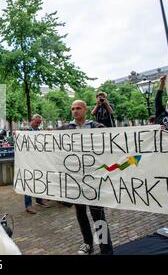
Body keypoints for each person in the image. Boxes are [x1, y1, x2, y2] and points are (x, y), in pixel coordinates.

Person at [60, 100, 113, 255]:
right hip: (77, 179)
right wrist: (23, 136)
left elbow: (114, 138)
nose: (75, 111)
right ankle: (87, 243)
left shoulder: (97, 127)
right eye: (72, 109)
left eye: (78, 108)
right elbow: (46, 140)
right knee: (81, 214)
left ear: (85, 110)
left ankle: (105, 248)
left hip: (93, 178)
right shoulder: (65, 129)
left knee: (98, 214)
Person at [23, 114, 50, 214]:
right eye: (37, 122)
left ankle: (39, 199)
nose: (38, 125)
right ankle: (28, 205)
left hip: (37, 160)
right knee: (29, 182)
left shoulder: (38, 131)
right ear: (32, 120)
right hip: (28, 160)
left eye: (39, 123)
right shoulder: (25, 130)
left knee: (39, 179)